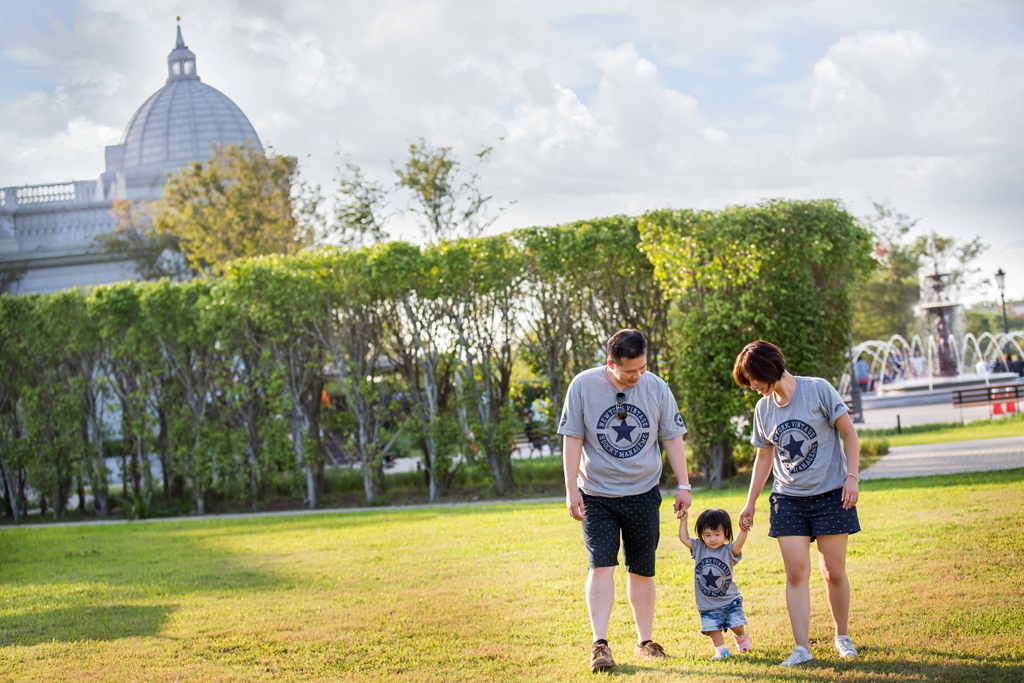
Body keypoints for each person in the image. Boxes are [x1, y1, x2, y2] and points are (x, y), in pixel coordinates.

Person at [560, 328, 692, 673]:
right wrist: (571, 488)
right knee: (601, 565)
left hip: (643, 491)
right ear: (610, 363)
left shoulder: (657, 387)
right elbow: (572, 439)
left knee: (642, 569)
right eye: (630, 371)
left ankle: (645, 642)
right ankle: (599, 645)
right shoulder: (584, 386)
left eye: (642, 368)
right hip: (597, 494)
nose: (638, 376)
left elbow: (673, 438)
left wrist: (684, 485)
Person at [733, 340, 861, 667]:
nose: (752, 386)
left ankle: (842, 636)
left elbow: (849, 433)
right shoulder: (764, 409)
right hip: (788, 500)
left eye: (753, 379)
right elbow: (764, 457)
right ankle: (801, 648)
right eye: (747, 381)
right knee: (795, 572)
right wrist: (751, 503)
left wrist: (852, 477)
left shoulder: (817, 390)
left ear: (768, 368)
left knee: (833, 572)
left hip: (831, 493)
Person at [676, 508, 751, 661]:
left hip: (729, 600)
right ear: (702, 535)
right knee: (712, 628)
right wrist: (683, 520)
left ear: (726, 533)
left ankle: (741, 636)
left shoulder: (729, 550)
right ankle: (721, 650)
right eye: (707, 535)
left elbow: (739, 544)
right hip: (707, 603)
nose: (712, 539)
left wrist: (744, 529)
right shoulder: (699, 548)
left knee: (735, 624)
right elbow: (684, 539)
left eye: (717, 534)